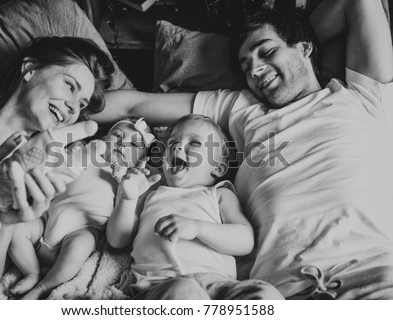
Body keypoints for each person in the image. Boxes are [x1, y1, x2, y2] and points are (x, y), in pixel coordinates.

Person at [92, 0, 393, 299]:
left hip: (371, 272)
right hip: (280, 293)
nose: (255, 69)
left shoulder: (362, 97)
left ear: (305, 48)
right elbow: (134, 104)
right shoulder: (240, 106)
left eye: (267, 51)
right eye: (245, 66)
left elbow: (358, 3)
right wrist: (68, 108)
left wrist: (300, 33)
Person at [0, 36, 115, 293]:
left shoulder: (32, 179)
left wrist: (7, 222)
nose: (72, 107)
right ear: (29, 69)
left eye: (81, 105)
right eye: (70, 86)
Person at [107, 114, 283, 299]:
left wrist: (198, 227)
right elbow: (117, 240)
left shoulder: (218, 194)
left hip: (218, 284)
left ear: (218, 167)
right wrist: (127, 199)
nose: (177, 147)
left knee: (266, 294)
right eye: (172, 143)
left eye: (195, 143)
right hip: (161, 284)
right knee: (183, 293)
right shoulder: (150, 194)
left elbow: (245, 241)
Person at [7, 117, 155, 299]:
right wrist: (80, 154)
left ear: (141, 160)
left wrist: (123, 188)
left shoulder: (129, 181)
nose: (122, 143)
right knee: (15, 227)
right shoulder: (83, 152)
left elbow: (120, 235)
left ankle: (41, 288)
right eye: (117, 135)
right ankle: (32, 272)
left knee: (79, 247)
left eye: (133, 144)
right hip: (46, 217)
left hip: (80, 230)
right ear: (104, 136)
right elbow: (53, 171)